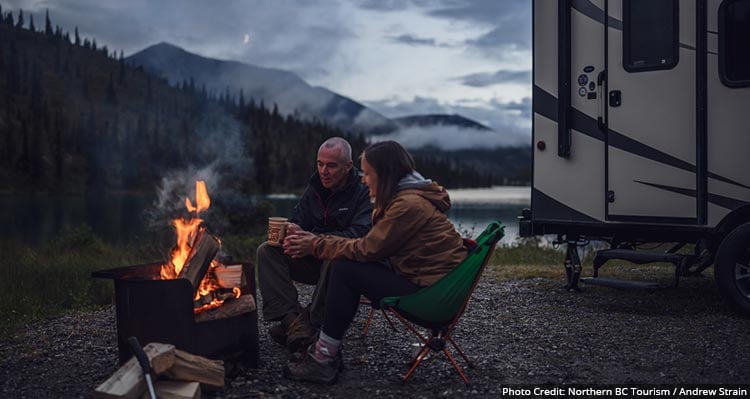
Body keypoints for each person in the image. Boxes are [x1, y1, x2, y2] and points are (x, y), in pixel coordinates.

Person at [281, 140, 469, 384]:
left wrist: (314, 244)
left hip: (432, 298)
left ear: (385, 175)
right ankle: (321, 345)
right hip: (434, 288)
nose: (363, 179)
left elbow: (367, 248)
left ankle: (323, 358)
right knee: (348, 265)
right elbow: (375, 247)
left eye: (368, 173)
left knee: (345, 269)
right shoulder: (405, 198)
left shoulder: (407, 206)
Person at [256, 137, 373, 353]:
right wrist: (290, 232)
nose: (323, 171)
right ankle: (293, 319)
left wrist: (313, 241)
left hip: (346, 265)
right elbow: (299, 220)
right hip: (313, 259)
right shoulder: (315, 188)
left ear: (348, 167)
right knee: (267, 251)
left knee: (336, 256)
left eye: (331, 165)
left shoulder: (363, 191)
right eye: (320, 164)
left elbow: (361, 236)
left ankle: (312, 322)